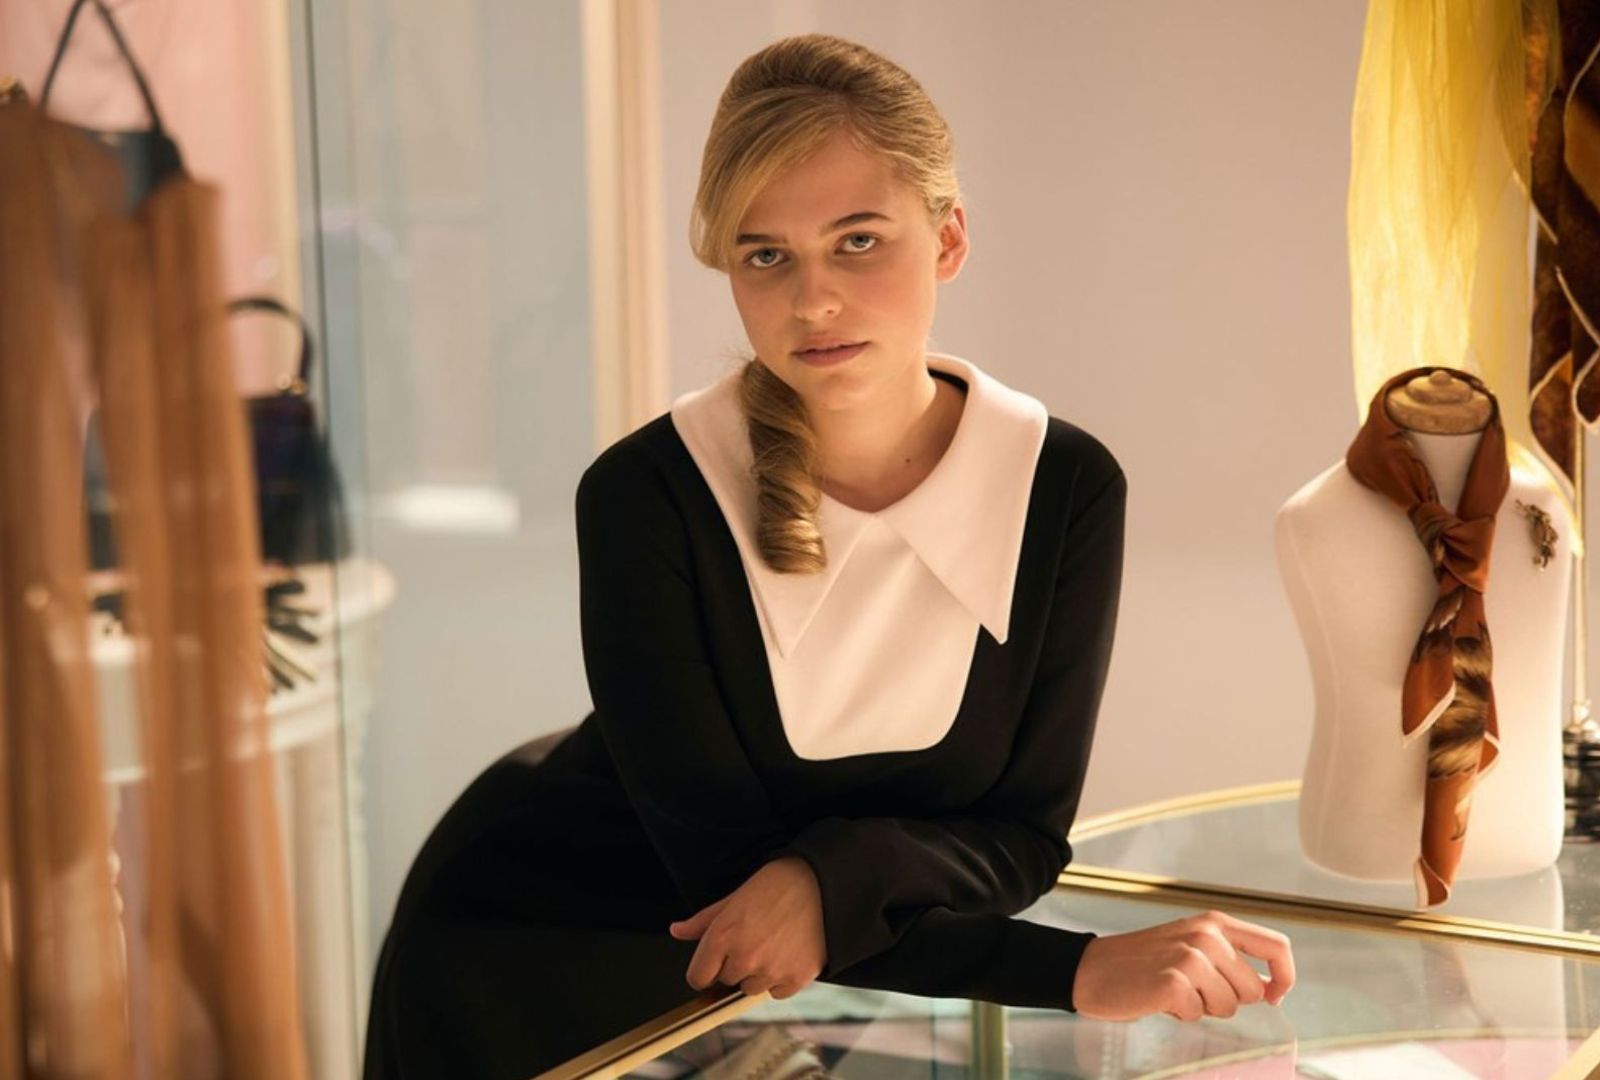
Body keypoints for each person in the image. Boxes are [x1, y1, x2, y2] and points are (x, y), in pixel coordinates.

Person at [362, 31, 1296, 1080]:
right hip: (532, 951)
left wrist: (828, 875)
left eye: (858, 241)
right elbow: (735, 900)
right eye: (768, 255)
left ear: (947, 240)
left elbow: (1024, 844)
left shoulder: (1063, 486)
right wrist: (1072, 971)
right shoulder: (647, 496)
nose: (813, 301)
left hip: (771, 993)